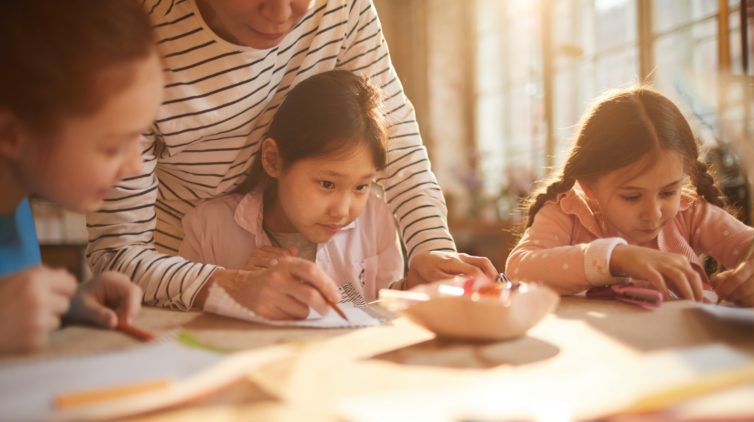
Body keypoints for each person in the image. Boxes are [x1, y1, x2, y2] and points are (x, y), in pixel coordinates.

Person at [85, 0, 496, 313]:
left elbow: (398, 148)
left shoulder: (343, 8)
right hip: (183, 279)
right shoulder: (136, 32)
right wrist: (231, 286)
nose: (280, 14)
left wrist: (430, 247)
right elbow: (118, 254)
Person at [0, 0, 164, 352]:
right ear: (12, 134)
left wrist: (66, 304)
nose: (135, 165)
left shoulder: (13, 203)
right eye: (112, 146)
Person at [505, 86, 754, 306]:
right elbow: (520, 268)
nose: (653, 213)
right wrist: (616, 258)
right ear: (589, 186)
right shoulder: (567, 212)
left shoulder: (691, 213)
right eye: (632, 197)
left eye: (668, 192)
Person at [180, 70, 404, 318]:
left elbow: (384, 316)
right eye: (327, 184)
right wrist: (239, 288)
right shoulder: (209, 227)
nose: (341, 210)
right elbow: (182, 319)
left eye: (361, 186)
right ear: (273, 160)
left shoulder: (377, 219)